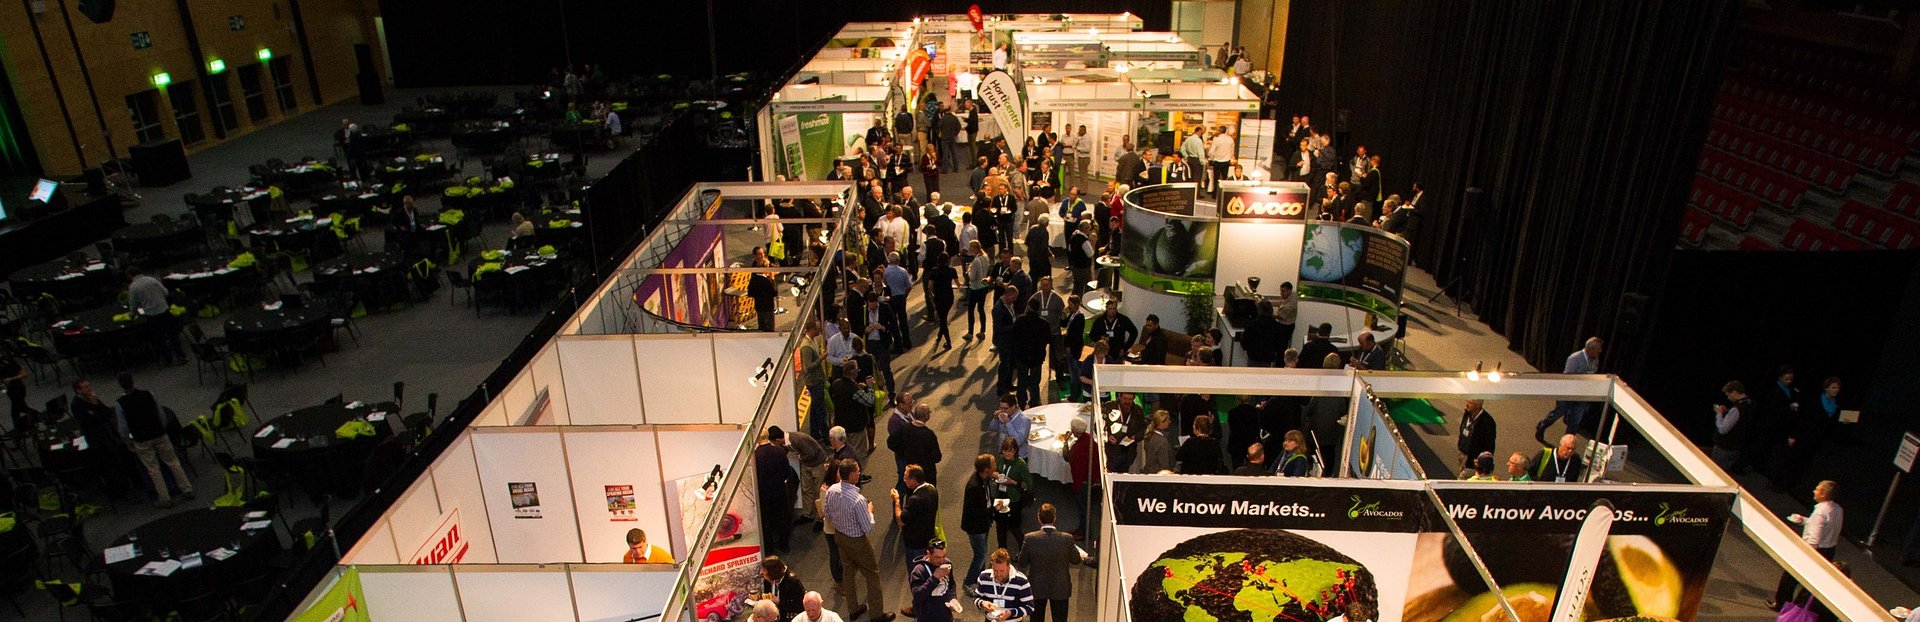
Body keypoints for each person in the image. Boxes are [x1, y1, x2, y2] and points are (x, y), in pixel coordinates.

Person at [114, 371, 194, 507]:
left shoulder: (120, 403)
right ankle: (187, 489)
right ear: (133, 380)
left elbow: (123, 427)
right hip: (159, 434)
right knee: (173, 462)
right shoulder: (148, 394)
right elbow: (161, 414)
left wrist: (128, 441)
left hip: (142, 439)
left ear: (120, 385)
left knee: (153, 470)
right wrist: (161, 429)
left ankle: (165, 498)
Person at [824, 459, 891, 621]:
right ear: (852, 474)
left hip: (839, 536)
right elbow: (868, 527)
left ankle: (853, 609)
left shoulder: (831, 490)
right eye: (858, 471)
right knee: (872, 574)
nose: (860, 473)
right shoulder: (858, 500)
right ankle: (877, 614)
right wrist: (870, 511)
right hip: (857, 541)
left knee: (848, 572)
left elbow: (827, 514)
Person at [1770, 480, 1843, 611]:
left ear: (1823, 494)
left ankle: (1782, 604)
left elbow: (1814, 537)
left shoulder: (1820, 511)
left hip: (1814, 549)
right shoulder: (1838, 509)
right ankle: (1799, 608)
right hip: (1829, 550)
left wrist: (1806, 554)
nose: (1814, 491)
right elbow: (1823, 526)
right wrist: (1803, 521)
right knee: (1812, 582)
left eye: (1817, 489)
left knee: (1790, 577)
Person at [1017, 504, 1082, 622]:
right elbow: (1076, 560)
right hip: (1060, 587)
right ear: (1054, 517)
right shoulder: (1067, 538)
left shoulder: (1030, 538)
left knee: (1036, 620)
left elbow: (1022, 563)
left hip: (1037, 587)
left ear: (1038, 517)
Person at [1536, 337, 1603, 443]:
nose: (1600, 351)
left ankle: (1568, 443)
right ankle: (1542, 425)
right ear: (1591, 349)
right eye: (1598, 349)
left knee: (1575, 420)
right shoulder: (1575, 358)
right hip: (1567, 393)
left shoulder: (1595, 359)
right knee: (1557, 414)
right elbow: (1567, 377)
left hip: (1582, 395)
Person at [126, 267, 185, 364]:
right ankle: (180, 356)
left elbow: (133, 304)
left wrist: (132, 315)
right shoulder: (152, 279)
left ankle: (168, 359)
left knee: (159, 339)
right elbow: (165, 292)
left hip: (152, 315)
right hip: (164, 310)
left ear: (129, 275)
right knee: (172, 335)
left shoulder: (133, 287)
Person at [756, 426, 799, 555]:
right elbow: (787, 472)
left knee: (766, 523)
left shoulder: (755, 456)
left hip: (763, 495)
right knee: (781, 519)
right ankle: (784, 545)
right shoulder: (780, 451)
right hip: (780, 492)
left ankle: (769, 550)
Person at [961, 454, 998, 589]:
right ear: (986, 469)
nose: (995, 466)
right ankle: (969, 582)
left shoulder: (983, 478)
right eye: (993, 464)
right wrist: (994, 509)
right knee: (980, 554)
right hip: (976, 527)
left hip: (983, 524)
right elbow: (977, 512)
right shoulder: (974, 487)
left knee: (982, 552)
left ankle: (979, 578)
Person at [891, 403, 943, 498]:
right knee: (928, 498)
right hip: (926, 472)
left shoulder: (905, 428)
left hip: (911, 470)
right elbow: (937, 457)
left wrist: (903, 452)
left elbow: (891, 442)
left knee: (911, 496)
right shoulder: (929, 434)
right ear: (926, 416)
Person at [892, 464, 940, 566]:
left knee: (915, 569)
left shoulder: (915, 499)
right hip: (928, 537)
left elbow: (901, 521)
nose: (904, 480)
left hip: (915, 543)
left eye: (906, 478)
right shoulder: (932, 489)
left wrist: (897, 500)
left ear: (914, 481)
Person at [973, 548, 1035, 622]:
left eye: (1002, 571)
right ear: (992, 566)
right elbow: (976, 598)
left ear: (1008, 567)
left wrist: (1011, 613)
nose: (998, 574)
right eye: (995, 570)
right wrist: (983, 603)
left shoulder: (1021, 581)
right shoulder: (984, 577)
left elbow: (1029, 607)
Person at [908, 539, 960, 622]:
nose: (941, 560)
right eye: (937, 557)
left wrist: (952, 598)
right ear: (928, 553)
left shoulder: (947, 564)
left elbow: (951, 584)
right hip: (927, 618)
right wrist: (935, 578)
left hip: (946, 616)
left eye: (944, 556)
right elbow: (917, 596)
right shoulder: (919, 571)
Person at [1011, 302, 1052, 408]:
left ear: (1028, 307)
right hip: (1037, 357)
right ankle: (1034, 400)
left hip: (1022, 356)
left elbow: (1013, 336)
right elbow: (1048, 339)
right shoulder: (1044, 323)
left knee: (1022, 380)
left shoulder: (1020, 320)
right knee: (1035, 381)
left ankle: (1021, 401)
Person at [830, 363, 875, 458]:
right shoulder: (853, 389)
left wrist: (858, 388)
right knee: (858, 454)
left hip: (841, 424)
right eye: (857, 369)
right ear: (853, 372)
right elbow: (869, 401)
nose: (858, 371)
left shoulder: (836, 383)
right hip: (855, 426)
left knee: (844, 452)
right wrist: (870, 387)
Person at [1711, 381, 1755, 472]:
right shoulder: (1751, 404)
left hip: (1725, 447)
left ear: (1734, 393)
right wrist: (1727, 411)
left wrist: (1719, 414)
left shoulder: (1737, 409)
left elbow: (1722, 429)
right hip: (1738, 446)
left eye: (1728, 395)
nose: (1728, 398)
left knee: (1716, 471)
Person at [1457, 399, 1497, 469]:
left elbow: (1489, 445)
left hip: (1474, 461)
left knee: (1465, 475)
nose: (1467, 405)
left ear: (1478, 405)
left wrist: (1483, 463)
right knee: (1461, 473)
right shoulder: (1467, 414)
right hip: (1462, 454)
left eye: (1470, 403)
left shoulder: (1487, 422)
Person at [1207, 125, 1235, 193]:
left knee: (1216, 178)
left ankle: (1215, 193)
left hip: (1217, 161)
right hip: (1226, 161)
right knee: (1224, 177)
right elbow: (1232, 150)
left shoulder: (1216, 139)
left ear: (1219, 131)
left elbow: (1211, 151)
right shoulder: (1230, 139)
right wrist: (1230, 157)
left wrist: (1211, 157)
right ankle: (1223, 192)